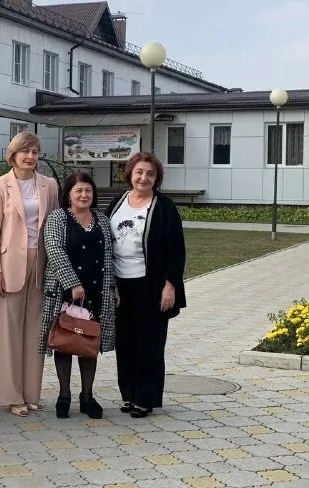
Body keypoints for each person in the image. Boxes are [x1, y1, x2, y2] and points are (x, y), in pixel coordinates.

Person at [106, 151, 186, 418]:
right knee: (126, 343)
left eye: (150, 174)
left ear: (156, 178)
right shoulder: (118, 202)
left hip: (151, 287)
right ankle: (129, 395)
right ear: (130, 173)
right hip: (120, 286)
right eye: (139, 172)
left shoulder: (164, 207)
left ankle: (146, 398)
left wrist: (170, 285)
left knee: (149, 343)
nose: (144, 177)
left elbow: (176, 250)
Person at [0, 131, 59, 416]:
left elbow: (53, 228)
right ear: (13, 155)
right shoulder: (0, 185)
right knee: (8, 332)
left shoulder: (49, 185)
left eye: (35, 152)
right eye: (25, 152)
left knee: (35, 331)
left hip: (40, 263)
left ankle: (31, 393)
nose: (30, 157)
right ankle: (12, 395)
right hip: (8, 264)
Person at [40, 173, 117, 419]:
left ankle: (87, 396)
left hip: (96, 290)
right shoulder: (57, 218)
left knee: (88, 342)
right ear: (69, 195)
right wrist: (72, 283)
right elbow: (53, 249)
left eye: (88, 191)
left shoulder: (102, 221)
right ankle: (64, 395)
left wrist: (113, 287)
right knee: (65, 340)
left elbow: (109, 256)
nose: (84, 195)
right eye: (79, 191)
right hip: (65, 291)